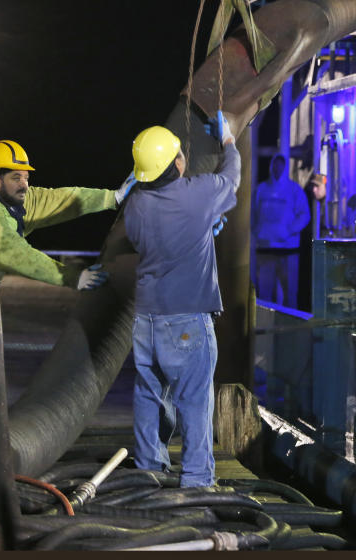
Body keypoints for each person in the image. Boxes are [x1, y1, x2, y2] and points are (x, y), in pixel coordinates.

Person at [0, 139, 127, 379]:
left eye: (26, 177)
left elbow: (61, 200)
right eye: (16, 178)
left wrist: (111, 198)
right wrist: (74, 277)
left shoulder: (11, 201)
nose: (24, 185)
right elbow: (19, 255)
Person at [123, 121, 240, 487]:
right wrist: (229, 139)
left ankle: (149, 469)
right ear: (176, 163)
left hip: (146, 319)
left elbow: (154, 238)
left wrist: (202, 227)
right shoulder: (197, 194)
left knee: (149, 393)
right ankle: (196, 480)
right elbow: (232, 176)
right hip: (186, 320)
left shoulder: (136, 204)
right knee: (194, 400)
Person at [253, 154, 310, 308]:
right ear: (271, 166)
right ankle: (266, 330)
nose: (277, 168)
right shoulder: (261, 189)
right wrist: (257, 232)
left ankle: (288, 330)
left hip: (288, 250)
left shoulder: (294, 190)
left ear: (284, 167)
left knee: (290, 293)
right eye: (275, 165)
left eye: (281, 165)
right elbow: (252, 214)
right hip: (265, 249)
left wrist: (289, 230)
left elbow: (305, 214)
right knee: (264, 295)